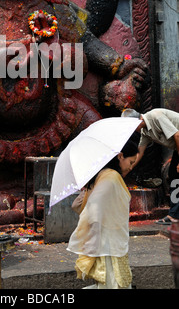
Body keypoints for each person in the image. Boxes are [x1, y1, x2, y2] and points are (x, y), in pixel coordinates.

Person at [67, 137, 139, 289]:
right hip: (108, 241)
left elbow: (78, 205)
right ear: (120, 156)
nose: (131, 167)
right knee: (114, 283)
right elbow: (93, 207)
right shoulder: (111, 177)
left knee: (112, 283)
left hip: (106, 239)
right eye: (131, 162)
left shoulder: (102, 174)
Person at [122, 108, 179, 224]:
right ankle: (175, 215)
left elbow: (177, 135)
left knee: (176, 174)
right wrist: (123, 173)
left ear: (138, 121)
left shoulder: (156, 116)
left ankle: (175, 215)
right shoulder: (144, 132)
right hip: (177, 147)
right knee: (174, 175)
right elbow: (139, 153)